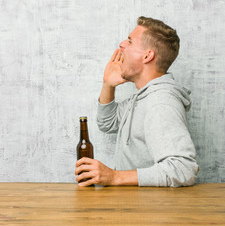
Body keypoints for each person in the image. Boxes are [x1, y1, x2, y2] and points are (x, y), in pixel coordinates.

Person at [75, 16, 199, 187]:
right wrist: (108, 85)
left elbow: (183, 169)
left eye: (130, 41)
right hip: (136, 207)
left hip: (151, 211)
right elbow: (107, 123)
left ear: (147, 55)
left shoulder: (161, 103)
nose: (122, 44)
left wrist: (114, 177)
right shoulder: (141, 98)